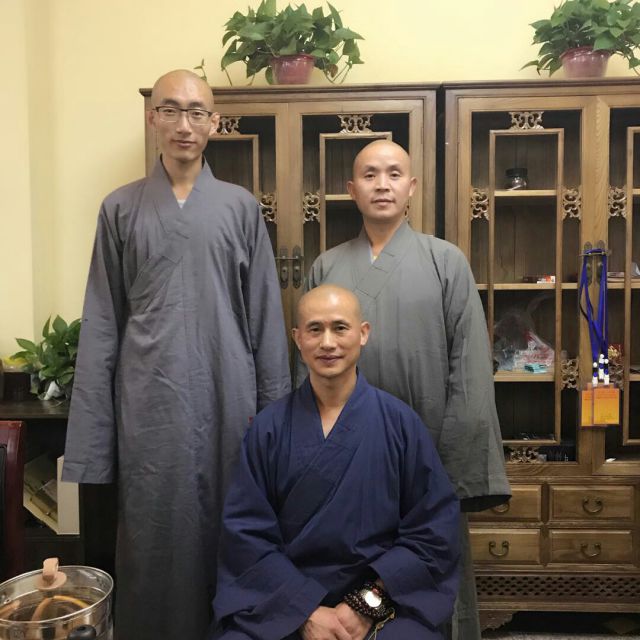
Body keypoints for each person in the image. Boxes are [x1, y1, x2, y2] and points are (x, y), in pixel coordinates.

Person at [62, 69, 291, 640]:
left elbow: (266, 317)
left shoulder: (240, 208)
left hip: (228, 396)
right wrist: (93, 440)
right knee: (151, 531)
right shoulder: (120, 208)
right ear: (152, 118)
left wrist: (278, 424)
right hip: (148, 401)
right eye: (171, 110)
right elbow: (103, 322)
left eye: (196, 112)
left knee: (235, 527)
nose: (184, 124)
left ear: (214, 123)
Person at [294, 139, 511, 639]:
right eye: (370, 175)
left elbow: (469, 369)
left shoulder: (445, 262)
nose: (382, 185)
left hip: (425, 453)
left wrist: (451, 467)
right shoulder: (326, 267)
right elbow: (306, 362)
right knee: (339, 564)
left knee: (429, 572)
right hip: (343, 451)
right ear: (352, 189)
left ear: (411, 187)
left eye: (394, 174)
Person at [212, 284, 460, 640]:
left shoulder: (401, 425)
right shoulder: (268, 429)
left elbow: (433, 531)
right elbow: (246, 536)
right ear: (297, 339)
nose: (327, 343)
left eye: (340, 328)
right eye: (315, 329)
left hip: (382, 600)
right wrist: (306, 613)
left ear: (363, 334)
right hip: (283, 602)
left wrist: (366, 605)